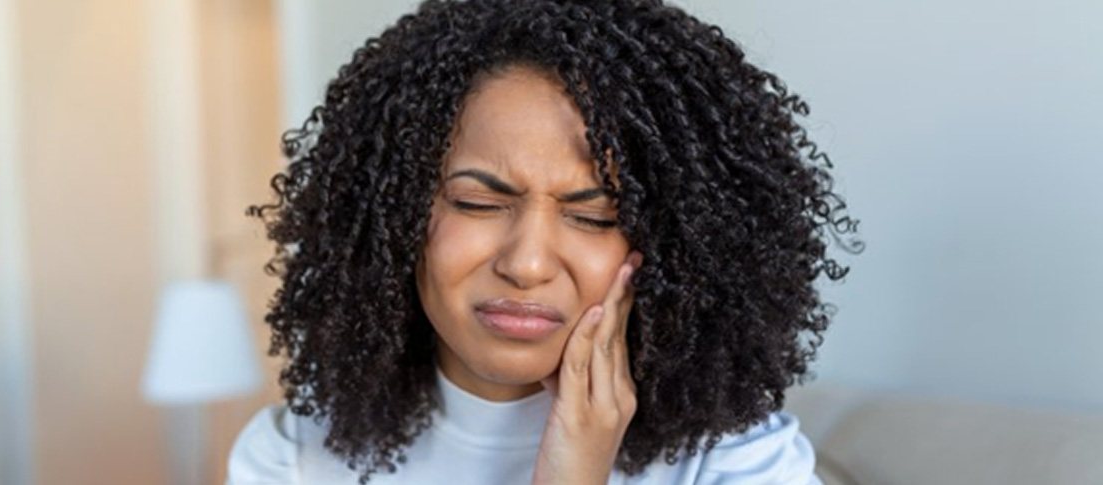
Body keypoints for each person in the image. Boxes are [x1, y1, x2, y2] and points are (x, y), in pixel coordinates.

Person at [230, 0, 861, 483]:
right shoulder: (290, 459)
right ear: (393, 218)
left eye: (593, 217)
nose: (526, 263)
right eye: (478, 203)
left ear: (679, 248)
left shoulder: (733, 462)